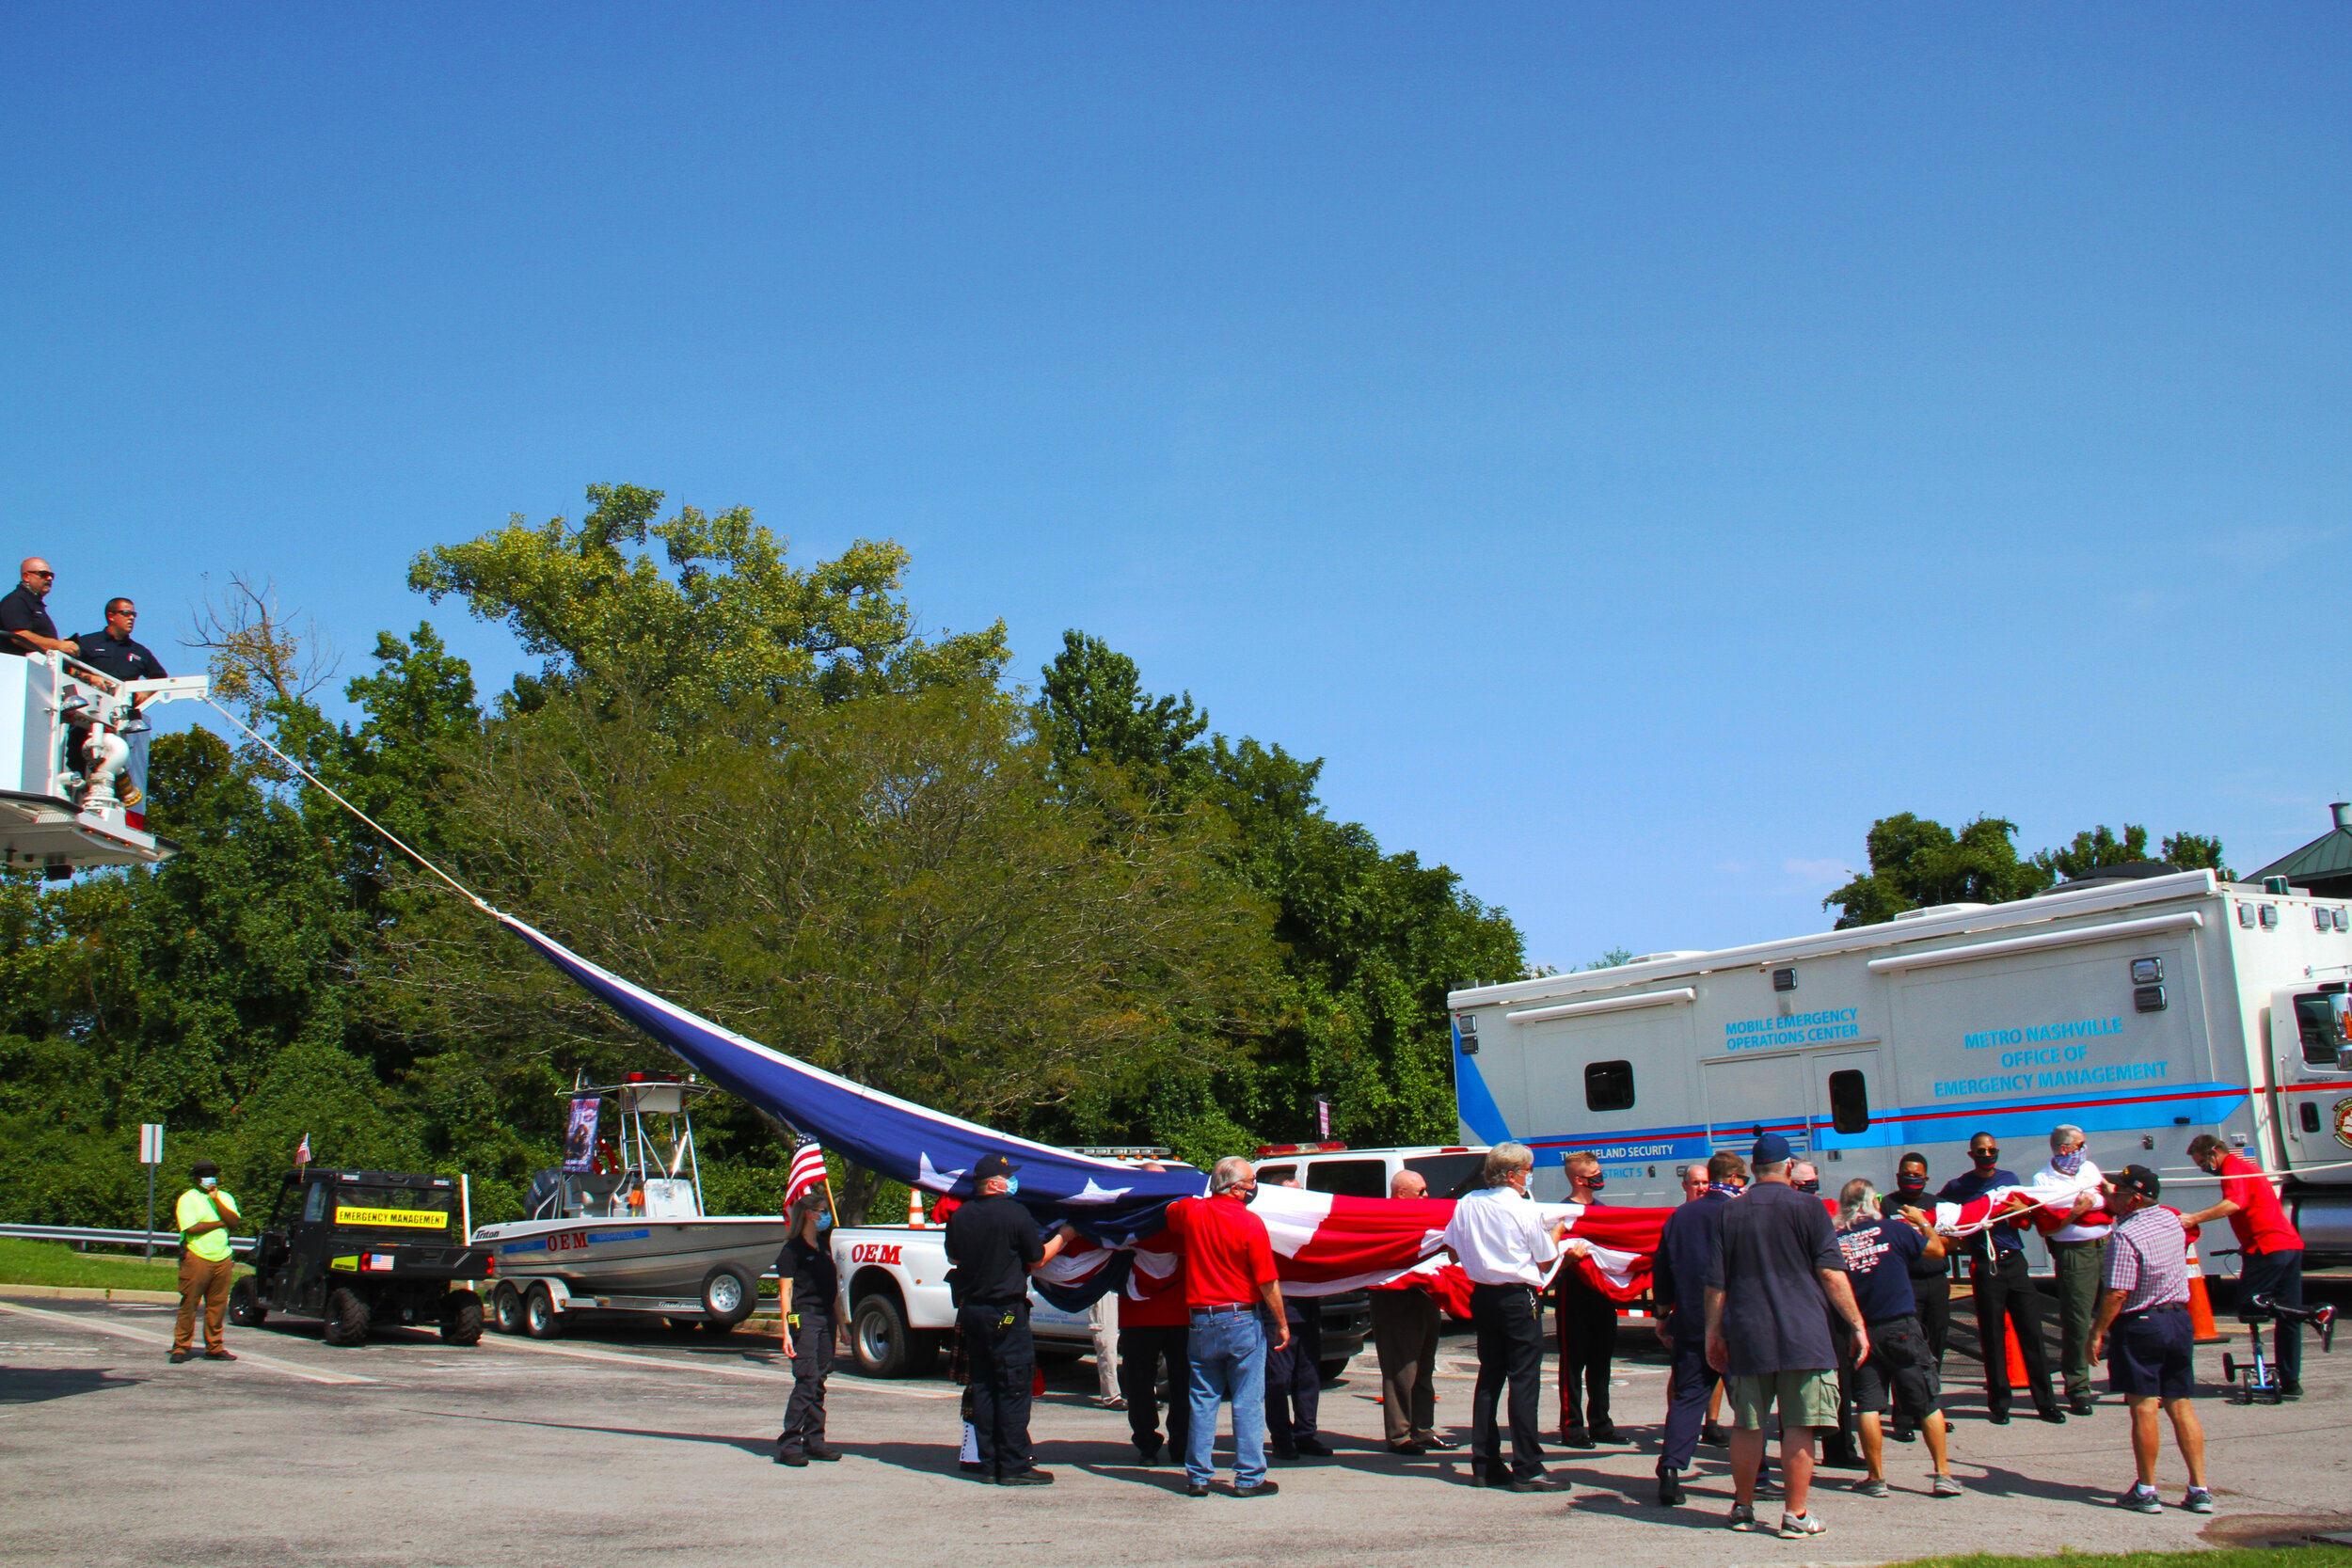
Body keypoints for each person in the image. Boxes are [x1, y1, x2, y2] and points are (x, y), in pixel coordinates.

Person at [1704, 1132, 1868, 1541]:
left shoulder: (1730, 1213)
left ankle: (1742, 1508)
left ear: (1754, 1171)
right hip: (1803, 1333)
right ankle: (1795, 1514)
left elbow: (1716, 1284)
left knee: (1747, 1425)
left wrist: (1713, 1334)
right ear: (1789, 1167)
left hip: (1748, 1332)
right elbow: (1831, 1273)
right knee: (1800, 1424)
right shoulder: (1810, 1208)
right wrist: (1857, 1324)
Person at [1441, 1141, 1572, 1493]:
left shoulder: (1467, 1203)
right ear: (1513, 1175)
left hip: (1483, 1294)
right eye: (1527, 1171)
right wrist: (1558, 1230)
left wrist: (1481, 1254)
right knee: (1523, 1381)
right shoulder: (1523, 1208)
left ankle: (1484, 1462)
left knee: (1490, 1378)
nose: (1529, 1177)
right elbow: (1545, 1259)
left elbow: (1451, 1249)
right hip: (1517, 1296)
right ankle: (1528, 1466)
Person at [2089, 1164, 2212, 1515]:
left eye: (2121, 1192)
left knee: (2144, 1406)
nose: (2114, 1196)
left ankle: (2146, 1488)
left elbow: (2116, 1293)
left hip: (2142, 1322)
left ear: (2135, 1199)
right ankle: (2199, 1488)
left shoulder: (2126, 1235)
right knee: (2180, 1403)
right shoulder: (2172, 1220)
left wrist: (2097, 1332)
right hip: (2178, 1319)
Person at [1164, 1155, 1288, 1498]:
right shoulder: (1250, 1223)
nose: (1253, 1188)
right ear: (1236, 1189)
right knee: (1248, 1399)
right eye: (1250, 1182)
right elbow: (1267, 1281)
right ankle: (1249, 1477)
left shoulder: (1192, 1212)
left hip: (1201, 1319)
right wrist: (1281, 1322)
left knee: (1203, 1398)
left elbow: (1169, 1212)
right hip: (1241, 1318)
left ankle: (1198, 1476)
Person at [1832, 1179, 1963, 1499]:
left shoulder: (1837, 1241)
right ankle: (1943, 1475)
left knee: (1869, 1404)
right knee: (1928, 1401)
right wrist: (1924, 1224)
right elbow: (1936, 1251)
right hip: (1901, 1325)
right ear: (1873, 1202)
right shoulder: (1894, 1230)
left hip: (1862, 1331)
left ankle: (1876, 1478)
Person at [943, 1152, 1065, 1485]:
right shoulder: (1014, 1214)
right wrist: (1065, 1236)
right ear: (996, 1183)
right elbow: (1037, 1259)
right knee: (1012, 1386)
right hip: (1006, 1313)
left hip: (973, 1310)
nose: (1013, 1181)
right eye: (1008, 1176)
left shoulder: (961, 1216)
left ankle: (990, 1461)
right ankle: (1013, 1466)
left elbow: (953, 1255)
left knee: (982, 1385)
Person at [1937, 1130, 2065, 1425]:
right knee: (1992, 1337)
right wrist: (1958, 1239)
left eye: (1991, 1150)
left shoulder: (2009, 1180)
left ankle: (2046, 1403)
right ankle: (1999, 1403)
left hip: (2015, 1263)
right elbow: (1942, 1212)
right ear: (1971, 1155)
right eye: (1980, 1151)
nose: (1986, 1155)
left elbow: (2029, 1218)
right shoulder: (1960, 1186)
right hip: (1986, 1265)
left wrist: (2024, 1210)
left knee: (2031, 1333)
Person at [2181, 1133, 2307, 1399]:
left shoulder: (2234, 1169)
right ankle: (2290, 1379)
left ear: (2214, 1152)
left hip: (2267, 1246)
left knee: (2249, 1304)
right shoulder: (2246, 1168)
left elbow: (2233, 1204)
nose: (2203, 1169)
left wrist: (2195, 1218)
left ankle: (2309, 1313)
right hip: (2287, 1245)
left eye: (2203, 1162)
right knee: (2288, 1319)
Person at [1652, 1151, 1745, 1505]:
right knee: (1746, 1400)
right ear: (1735, 1177)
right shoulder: (1739, 1211)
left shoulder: (1681, 1215)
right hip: (1735, 1319)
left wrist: (1662, 1314)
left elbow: (1662, 1265)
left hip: (1690, 1318)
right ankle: (1758, 1475)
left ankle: (1672, 1468)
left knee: (1688, 1397)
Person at [1371, 1167, 1455, 1455]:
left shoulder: (1426, 1216)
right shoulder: (1383, 1220)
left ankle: (1422, 1430)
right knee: (1401, 1370)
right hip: (1396, 1302)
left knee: (1424, 1369)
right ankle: (1400, 1435)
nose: (1427, 1195)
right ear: (1400, 1194)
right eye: (1420, 1191)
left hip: (1425, 1298)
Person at [2037, 1124, 2110, 1416]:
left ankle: (2129, 1379)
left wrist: (2094, 1201)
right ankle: (2078, 1387)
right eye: (2081, 1145)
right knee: (2078, 1320)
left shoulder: (2090, 1168)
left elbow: (2104, 1196)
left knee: (2121, 1310)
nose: (2085, 1150)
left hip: (2105, 1244)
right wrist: (2078, 1211)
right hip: (2074, 1252)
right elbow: (2051, 1222)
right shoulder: (2044, 1180)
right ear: (2065, 1149)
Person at [1554, 1149, 1619, 1447]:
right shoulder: (1561, 1214)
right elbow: (1549, 1257)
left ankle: (1601, 1423)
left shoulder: (1604, 1211)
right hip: (1574, 1294)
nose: (1600, 1178)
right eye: (1595, 1175)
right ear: (1579, 1179)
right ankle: (1572, 1427)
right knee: (1573, 1363)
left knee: (1601, 1362)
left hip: (1602, 1294)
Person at [774, 1189, 843, 1466]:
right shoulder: (792, 1251)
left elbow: (834, 1290)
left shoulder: (824, 1247)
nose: (826, 1216)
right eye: (823, 1211)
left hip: (827, 1318)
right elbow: (786, 1293)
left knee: (820, 1379)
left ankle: (815, 1441)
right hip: (805, 1317)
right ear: (809, 1215)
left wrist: (844, 1325)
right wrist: (788, 1331)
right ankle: (790, 1444)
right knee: (806, 1379)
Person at [1263, 1180, 1327, 1460]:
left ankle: (1306, 1434)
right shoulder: (1268, 1227)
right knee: (1278, 1380)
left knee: (1309, 1377)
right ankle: (1281, 1438)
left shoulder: (1307, 1227)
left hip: (1308, 1311)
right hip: (1278, 1313)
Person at [1116, 1243, 1192, 1465]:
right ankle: (1181, 1444)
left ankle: (1147, 1444)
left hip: (1137, 1312)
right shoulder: (1179, 1223)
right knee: (1183, 1383)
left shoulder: (1128, 1223)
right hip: (1179, 1310)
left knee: (1139, 1384)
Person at [170, 1159, 240, 1364]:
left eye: (212, 1173)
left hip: (222, 1257)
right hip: (196, 1256)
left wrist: (216, 1200)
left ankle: (214, 1346)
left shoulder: (225, 1197)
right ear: (197, 1178)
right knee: (189, 1303)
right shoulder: (188, 1199)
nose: (209, 1177)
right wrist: (220, 1222)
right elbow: (191, 1228)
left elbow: (234, 1221)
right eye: (205, 1174)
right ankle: (181, 1346)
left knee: (217, 1305)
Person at [68, 598, 167, 689]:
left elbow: (160, 677)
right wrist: (89, 678)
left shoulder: (140, 652)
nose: (131, 618)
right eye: (126, 613)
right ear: (111, 616)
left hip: (122, 707)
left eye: (134, 614)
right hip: (88, 703)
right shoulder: (88, 642)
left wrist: (143, 693)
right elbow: (65, 666)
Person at [0, 559, 76, 657]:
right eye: (43, 574)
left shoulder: (35, 604)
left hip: (38, 668)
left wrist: (61, 645)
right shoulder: (16, 600)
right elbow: (19, 636)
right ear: (26, 577)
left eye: (51, 576)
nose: (49, 578)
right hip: (17, 667)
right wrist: (58, 645)